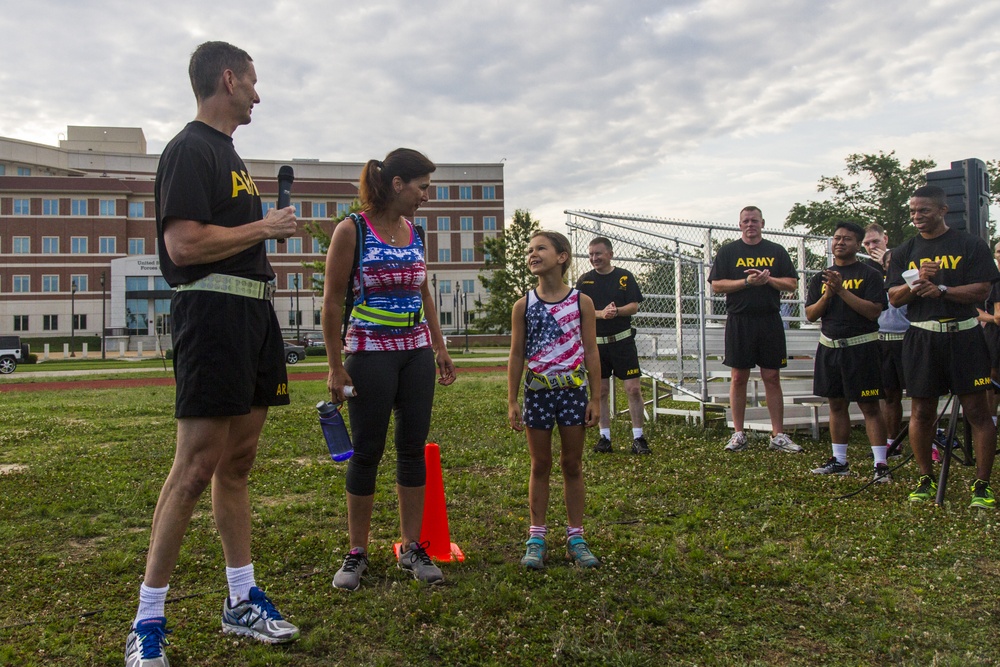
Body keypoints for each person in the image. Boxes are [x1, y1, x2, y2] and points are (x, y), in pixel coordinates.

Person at [126, 41, 300, 667]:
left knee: (239, 462)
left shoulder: (231, 156)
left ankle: (240, 599)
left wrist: (261, 245)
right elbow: (183, 247)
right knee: (196, 467)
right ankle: (147, 622)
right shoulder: (190, 149)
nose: (258, 93)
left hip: (254, 313)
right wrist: (265, 228)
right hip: (213, 314)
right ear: (228, 79)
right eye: (252, 81)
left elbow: (224, 239)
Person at [321, 148, 456, 591]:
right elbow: (333, 301)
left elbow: (425, 292)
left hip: (414, 353)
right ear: (398, 184)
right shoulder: (352, 229)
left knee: (412, 448)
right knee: (367, 451)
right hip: (369, 354)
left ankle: (412, 547)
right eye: (422, 187)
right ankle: (356, 552)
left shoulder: (414, 232)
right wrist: (336, 367)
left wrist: (438, 345)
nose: (426, 196)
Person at [886, 185, 999, 508]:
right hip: (923, 337)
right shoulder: (906, 250)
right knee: (922, 410)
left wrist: (943, 290)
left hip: (964, 336)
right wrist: (918, 281)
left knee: (977, 411)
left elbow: (981, 291)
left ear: (942, 210)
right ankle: (924, 478)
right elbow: (894, 297)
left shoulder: (969, 244)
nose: (917, 217)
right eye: (912, 211)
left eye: (923, 210)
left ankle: (982, 485)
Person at [507, 231, 602, 569]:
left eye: (541, 248)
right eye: (529, 249)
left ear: (562, 257)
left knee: (572, 464)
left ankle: (576, 536)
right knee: (540, 465)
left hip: (573, 394)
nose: (533, 253)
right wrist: (513, 400)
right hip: (538, 395)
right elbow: (517, 354)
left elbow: (591, 351)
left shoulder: (581, 303)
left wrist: (596, 398)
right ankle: (537, 537)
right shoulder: (523, 305)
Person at [708, 206, 802, 453]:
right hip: (740, 320)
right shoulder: (729, 251)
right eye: (746, 221)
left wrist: (767, 279)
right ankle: (738, 433)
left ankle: (778, 434)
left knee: (772, 377)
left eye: (755, 220)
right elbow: (717, 285)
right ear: (739, 224)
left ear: (763, 223)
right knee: (739, 377)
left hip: (770, 319)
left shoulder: (776, 251)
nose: (750, 224)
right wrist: (747, 282)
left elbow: (791, 282)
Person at [805, 222, 889, 482]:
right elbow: (810, 314)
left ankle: (880, 465)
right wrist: (828, 294)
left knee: (869, 406)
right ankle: (840, 461)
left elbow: (874, 310)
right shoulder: (821, 277)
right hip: (830, 346)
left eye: (847, 239)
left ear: (857, 244)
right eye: (837, 238)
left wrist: (842, 290)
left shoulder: (870, 274)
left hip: (861, 347)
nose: (840, 242)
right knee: (836, 404)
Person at [575, 237, 649, 454]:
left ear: (610, 254)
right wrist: (600, 314)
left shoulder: (625, 277)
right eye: (590, 254)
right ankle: (604, 437)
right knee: (602, 391)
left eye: (598, 253)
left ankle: (639, 438)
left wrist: (616, 311)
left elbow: (634, 306)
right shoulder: (584, 281)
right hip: (596, 345)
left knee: (633, 389)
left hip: (623, 342)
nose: (594, 258)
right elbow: (579, 310)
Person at [862, 223, 909, 454]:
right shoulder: (865, 271)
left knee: (923, 395)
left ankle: (931, 441)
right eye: (867, 243)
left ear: (886, 239)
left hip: (909, 337)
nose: (871, 247)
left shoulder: (902, 261)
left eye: (875, 242)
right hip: (881, 338)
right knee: (890, 394)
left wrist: (888, 266)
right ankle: (893, 441)